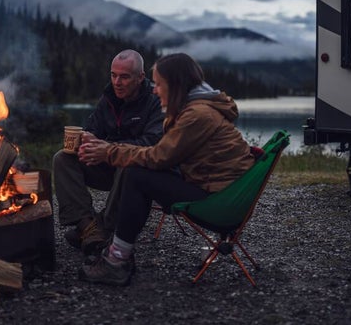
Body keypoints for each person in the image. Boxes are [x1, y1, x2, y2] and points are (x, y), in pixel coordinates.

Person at [76, 52, 255, 285]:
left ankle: (116, 260)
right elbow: (165, 155)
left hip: (219, 203)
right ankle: (112, 245)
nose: (154, 90)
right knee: (140, 171)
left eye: (159, 84)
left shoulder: (197, 116)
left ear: (175, 85)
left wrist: (108, 151)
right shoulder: (196, 108)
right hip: (220, 192)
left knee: (136, 175)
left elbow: (159, 156)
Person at [53, 49, 164, 254]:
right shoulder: (109, 98)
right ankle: (87, 225)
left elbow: (153, 144)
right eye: (113, 75)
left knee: (129, 164)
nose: (117, 82)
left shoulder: (154, 101)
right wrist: (86, 139)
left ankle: (104, 226)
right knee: (63, 158)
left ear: (140, 78)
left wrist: (109, 149)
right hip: (106, 165)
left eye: (124, 77)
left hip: (138, 170)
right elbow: (93, 129)